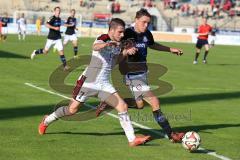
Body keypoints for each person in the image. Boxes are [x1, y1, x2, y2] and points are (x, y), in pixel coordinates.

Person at [38, 18, 151, 147]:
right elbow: (95, 46)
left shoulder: (119, 44)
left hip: (104, 84)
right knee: (72, 110)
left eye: (123, 32)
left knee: (122, 106)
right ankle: (47, 120)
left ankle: (132, 139)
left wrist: (126, 52)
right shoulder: (103, 38)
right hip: (88, 82)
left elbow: (115, 61)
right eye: (120, 32)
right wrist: (106, 45)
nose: (122, 35)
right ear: (112, 30)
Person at [96, 8, 184, 143]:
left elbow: (153, 44)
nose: (146, 25)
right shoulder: (127, 33)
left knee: (140, 105)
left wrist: (170, 49)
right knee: (154, 102)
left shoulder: (147, 33)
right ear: (136, 20)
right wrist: (126, 50)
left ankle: (109, 103)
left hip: (142, 73)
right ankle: (171, 134)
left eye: (148, 23)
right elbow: (116, 49)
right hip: (131, 74)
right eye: (144, 22)